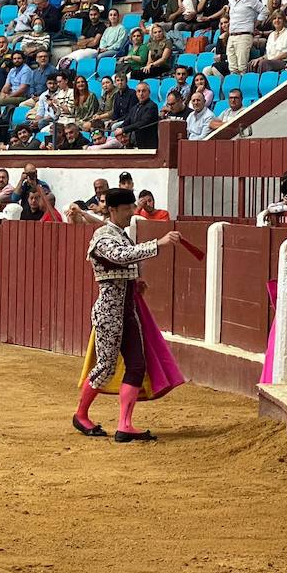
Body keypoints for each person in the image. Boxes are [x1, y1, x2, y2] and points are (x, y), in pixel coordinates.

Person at [73, 189, 185, 443]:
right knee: (105, 366)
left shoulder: (120, 234)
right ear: (112, 210)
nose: (132, 213)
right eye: (127, 209)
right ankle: (80, 415)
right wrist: (158, 243)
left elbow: (125, 263)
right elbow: (119, 257)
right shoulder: (102, 236)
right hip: (110, 310)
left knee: (136, 365)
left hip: (128, 309)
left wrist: (135, 281)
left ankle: (125, 425)